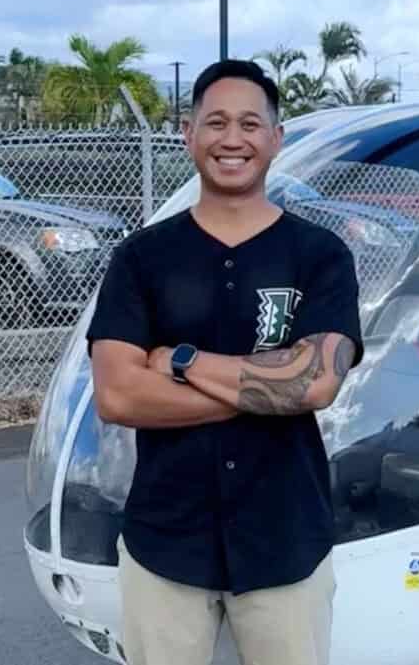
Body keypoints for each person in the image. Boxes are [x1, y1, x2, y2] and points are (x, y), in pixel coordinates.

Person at [87, 58, 363, 665]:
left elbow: (315, 384)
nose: (231, 139)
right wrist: (262, 388)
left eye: (248, 123)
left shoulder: (320, 255)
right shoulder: (142, 258)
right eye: (215, 122)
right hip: (166, 542)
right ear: (188, 134)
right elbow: (119, 397)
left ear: (275, 138)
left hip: (285, 539)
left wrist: (180, 360)